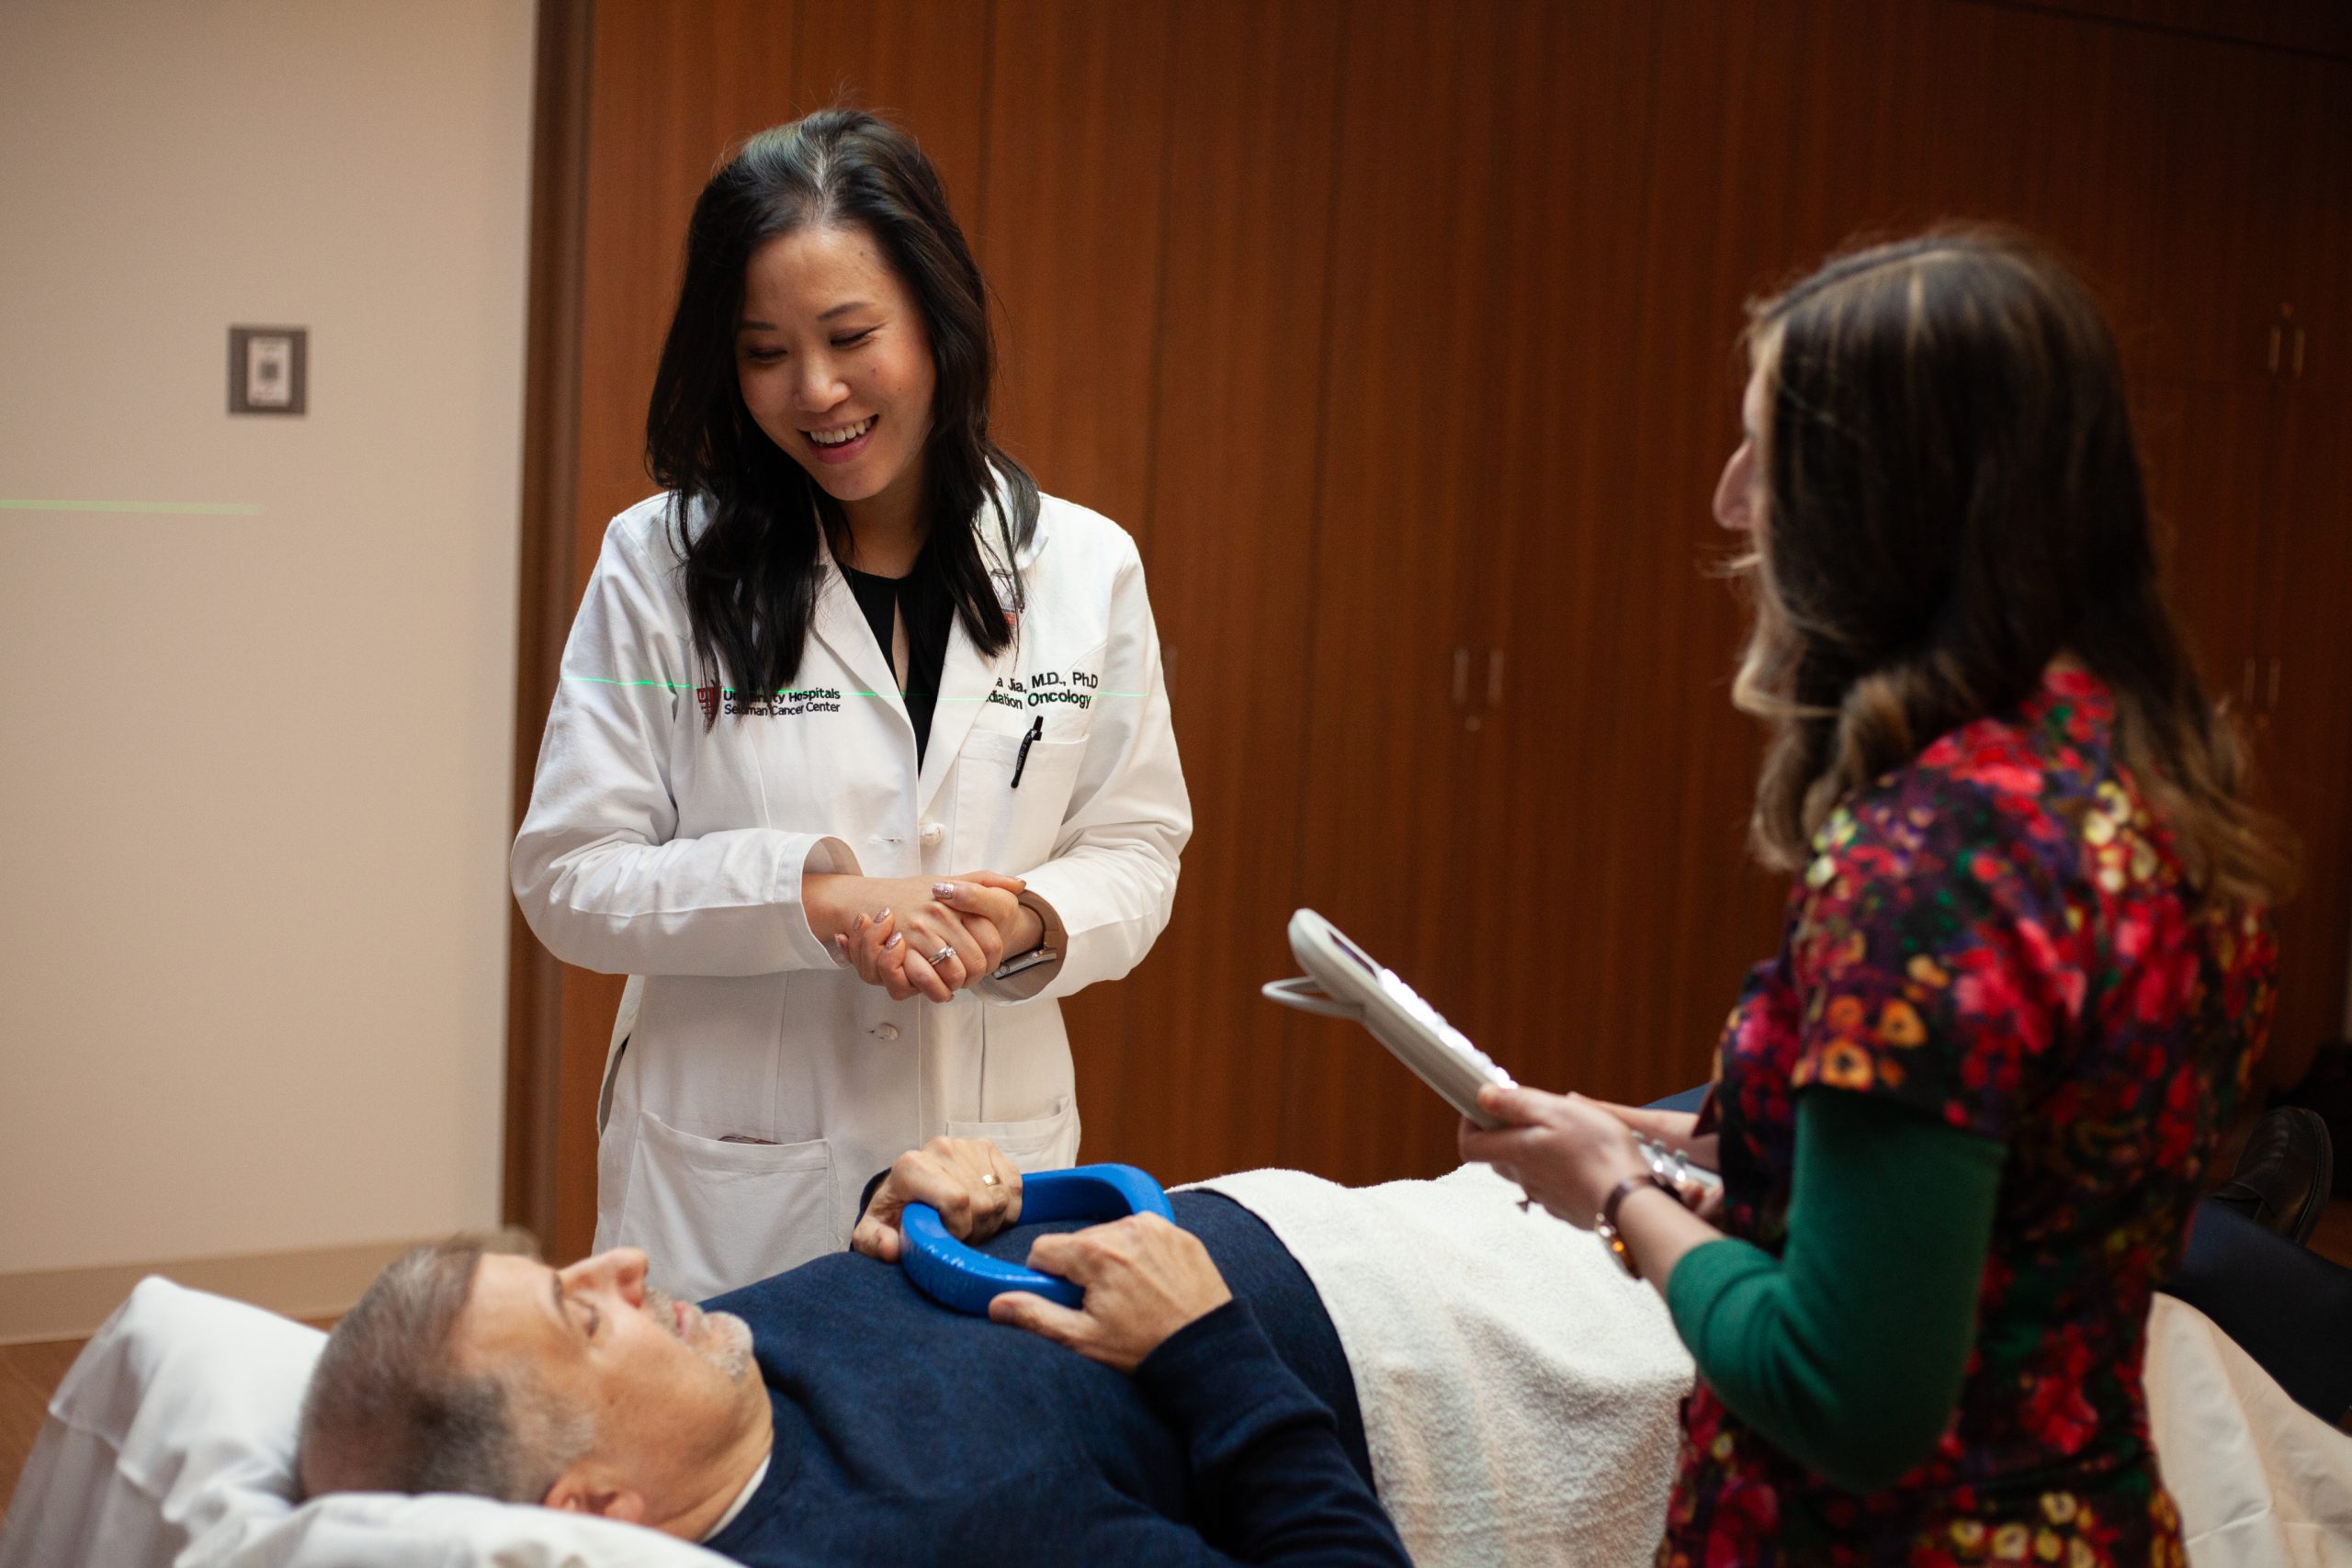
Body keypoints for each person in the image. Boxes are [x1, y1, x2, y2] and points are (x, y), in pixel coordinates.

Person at [1460, 231, 2296, 1566]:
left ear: (1888, 500)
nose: (1732, 502)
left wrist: (1620, 1194)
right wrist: (1671, 1140)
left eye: (1763, 455)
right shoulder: (2157, 798)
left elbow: (1848, 1391)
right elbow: (1997, 1217)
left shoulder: (1935, 858)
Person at [511, 109, 1190, 1293]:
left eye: (848, 335)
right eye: (764, 350)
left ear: (935, 319)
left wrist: (1026, 920)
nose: (813, 391)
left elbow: (1137, 844)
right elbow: (569, 877)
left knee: (966, 1457)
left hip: (987, 1163)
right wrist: (821, 899)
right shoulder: (662, 563)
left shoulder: (1086, 568)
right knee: (742, 1461)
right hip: (735, 1186)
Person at [293, 1138, 1419, 1565]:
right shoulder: (940, 1530)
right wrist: (1207, 1345)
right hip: (1412, 1336)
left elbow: (878, 1329)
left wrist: (905, 1214)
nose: (626, 1266)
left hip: (1290, 1209)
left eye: (570, 1272)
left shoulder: (696, 1390)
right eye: (585, 1318)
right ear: (592, 1508)